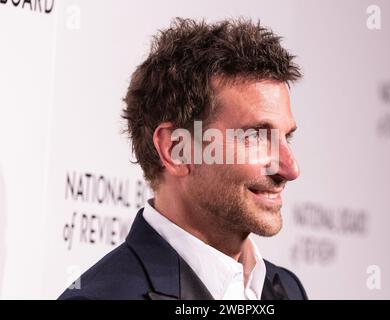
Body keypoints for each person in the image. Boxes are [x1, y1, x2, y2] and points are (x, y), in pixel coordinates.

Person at [59, 17, 307, 300]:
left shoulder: (287, 289)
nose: (290, 168)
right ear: (177, 150)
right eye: (256, 136)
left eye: (287, 137)